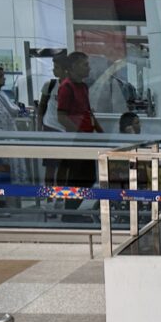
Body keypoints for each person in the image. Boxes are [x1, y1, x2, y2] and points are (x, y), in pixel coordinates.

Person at [56, 51, 103, 217]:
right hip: (77, 141)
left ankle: (71, 211)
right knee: (78, 178)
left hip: (86, 139)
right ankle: (69, 212)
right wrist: (77, 133)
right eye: (85, 65)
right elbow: (61, 116)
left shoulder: (83, 87)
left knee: (88, 177)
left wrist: (98, 130)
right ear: (74, 66)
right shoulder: (66, 88)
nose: (88, 68)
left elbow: (88, 112)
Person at [37, 53, 68, 187]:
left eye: (57, 67)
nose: (54, 70)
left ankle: (61, 196)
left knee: (64, 166)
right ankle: (49, 194)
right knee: (50, 166)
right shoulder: (50, 85)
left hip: (66, 131)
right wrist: (40, 128)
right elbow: (42, 106)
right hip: (50, 128)